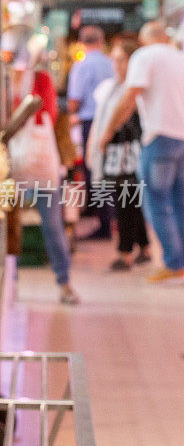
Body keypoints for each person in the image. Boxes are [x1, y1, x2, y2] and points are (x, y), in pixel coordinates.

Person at [99, 21, 184, 282]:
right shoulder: (179, 57)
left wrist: (108, 130)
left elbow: (129, 96)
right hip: (181, 138)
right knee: (179, 201)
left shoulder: (145, 56)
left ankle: (173, 261)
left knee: (155, 202)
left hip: (158, 137)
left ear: (145, 39)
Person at [10, 34, 80, 304]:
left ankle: (60, 283)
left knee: (42, 224)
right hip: (26, 162)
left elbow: (47, 113)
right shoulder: (26, 80)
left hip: (27, 162)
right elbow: (48, 114)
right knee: (34, 225)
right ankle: (57, 284)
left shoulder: (31, 81)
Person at [86, 38, 150, 271]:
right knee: (131, 201)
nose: (116, 64)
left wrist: (105, 134)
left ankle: (125, 253)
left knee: (126, 201)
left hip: (129, 153)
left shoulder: (135, 88)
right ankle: (144, 247)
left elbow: (123, 115)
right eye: (114, 59)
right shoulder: (113, 86)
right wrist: (95, 142)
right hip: (115, 153)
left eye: (121, 59)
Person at [67, 25, 115, 239]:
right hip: (114, 123)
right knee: (111, 171)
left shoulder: (81, 66)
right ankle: (111, 219)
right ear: (102, 41)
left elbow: (74, 101)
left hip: (91, 123)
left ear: (81, 43)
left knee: (94, 172)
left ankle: (104, 225)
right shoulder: (111, 63)